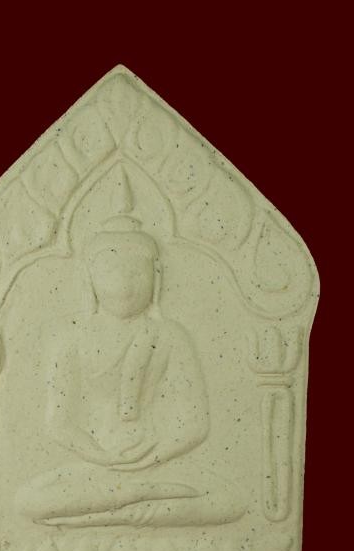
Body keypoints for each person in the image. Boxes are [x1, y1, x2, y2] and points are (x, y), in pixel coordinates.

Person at [15, 215, 245, 527]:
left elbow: (194, 423)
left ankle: (108, 513)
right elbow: (59, 424)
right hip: (96, 466)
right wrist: (102, 456)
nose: (124, 283)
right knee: (28, 500)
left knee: (231, 500)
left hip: (160, 463)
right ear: (89, 279)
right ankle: (134, 500)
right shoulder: (73, 339)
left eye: (137, 271)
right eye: (111, 270)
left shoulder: (171, 336)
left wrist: (154, 454)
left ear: (156, 277)